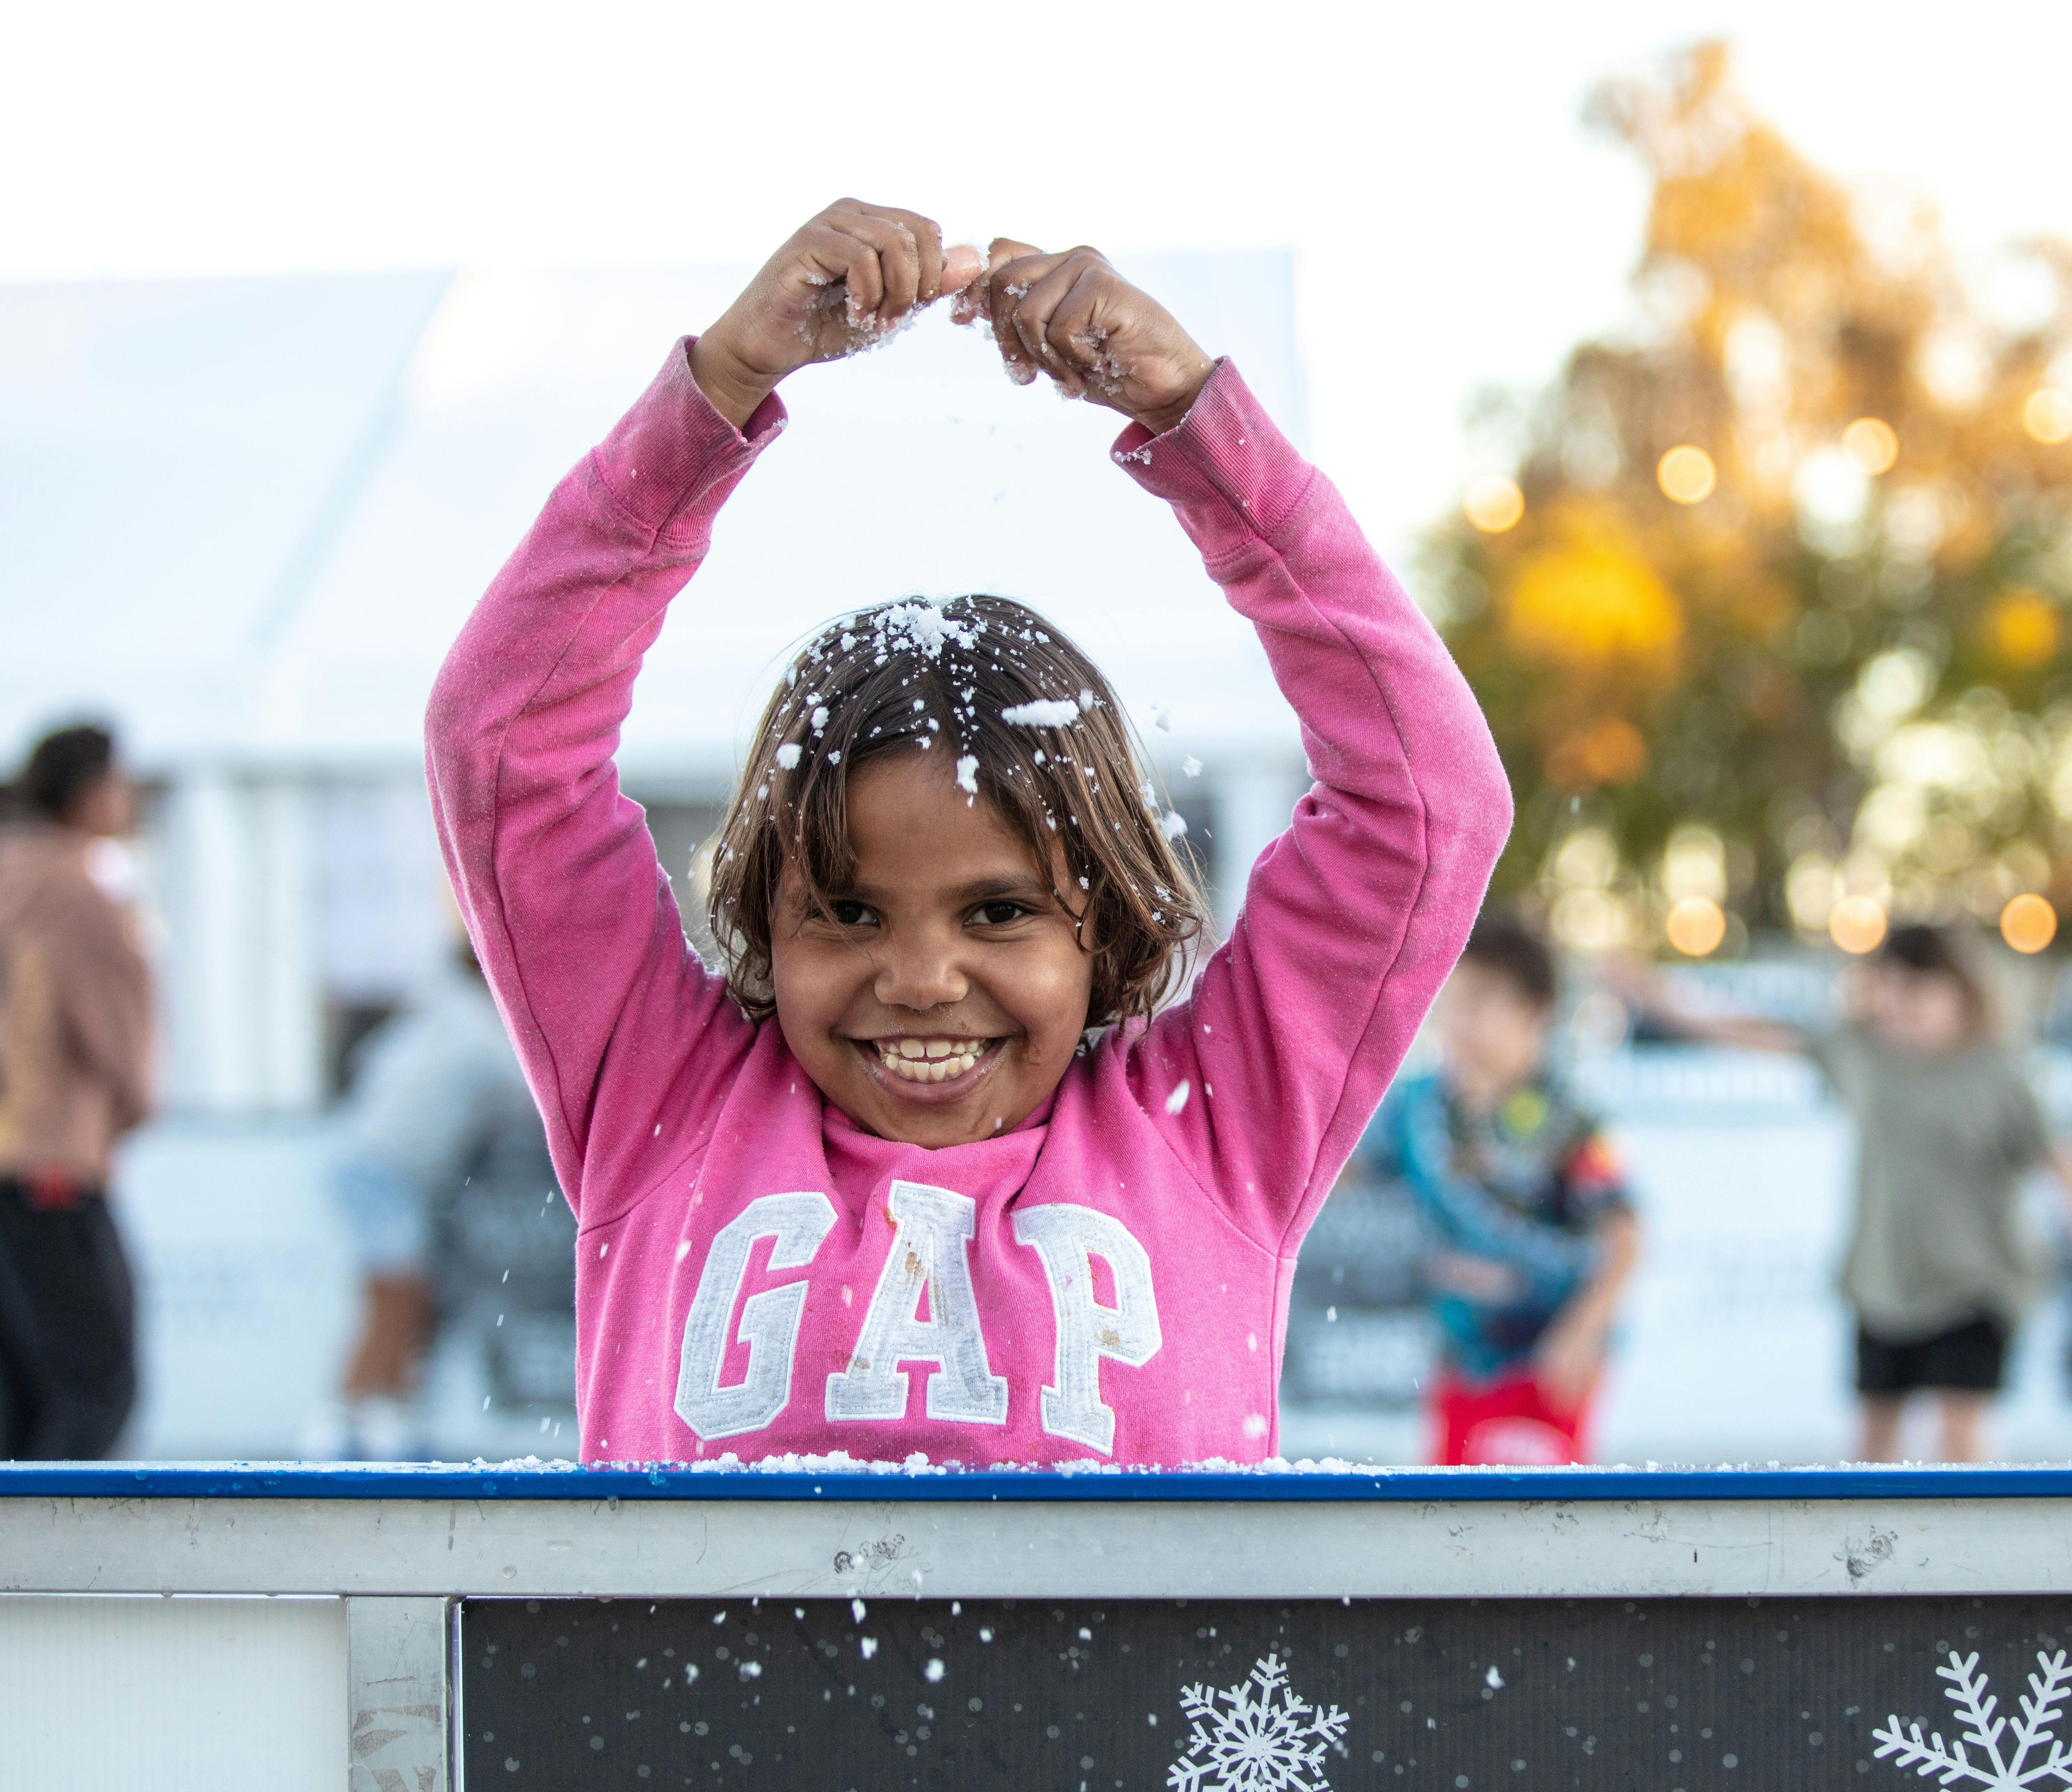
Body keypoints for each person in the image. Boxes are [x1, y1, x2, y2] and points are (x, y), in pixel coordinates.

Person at [427, 201, 1509, 1467]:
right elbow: (502, 739)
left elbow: (1428, 799)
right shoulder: (665, 1101)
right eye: (846, 912)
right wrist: (718, 386)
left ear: (1100, 923)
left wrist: (1200, 426)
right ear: (766, 920)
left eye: (997, 911)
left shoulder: (1213, 1126)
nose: (922, 979)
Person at [1624, 925, 2072, 1464]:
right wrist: (1657, 997)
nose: (1896, 1006)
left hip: (1974, 1282)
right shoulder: (1860, 1051)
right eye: (1886, 989)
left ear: (1963, 994)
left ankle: (1974, 1548)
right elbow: (1757, 1033)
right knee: (1873, 1437)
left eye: (1915, 991)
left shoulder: (2000, 1072)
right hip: (1883, 1279)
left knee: (1960, 1434)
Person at [1363, 917, 1638, 1465]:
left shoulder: (1572, 1120)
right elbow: (1342, 1171)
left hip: (1551, 1358)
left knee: (1544, 1520)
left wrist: (1582, 1331)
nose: (1457, 1021)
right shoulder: (1415, 1107)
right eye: (1450, 1001)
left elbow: (1626, 1236)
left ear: (1535, 1011)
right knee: (1450, 1517)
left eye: (1479, 1002)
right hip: (1462, 1356)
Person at [313, 919, 569, 1461]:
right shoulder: (476, 1027)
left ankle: (382, 1421)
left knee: (411, 1303)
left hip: (376, 1162)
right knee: (395, 1301)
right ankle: (343, 1431)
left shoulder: (436, 1011)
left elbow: (367, 1067)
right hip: (386, 1171)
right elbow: (533, 1095)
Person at [0, 724, 154, 1459]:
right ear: (93, 794)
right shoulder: (80, 892)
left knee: (19, 1396)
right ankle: (59, 1572)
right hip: (50, 1165)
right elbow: (118, 1032)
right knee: (96, 1383)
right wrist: (129, 1107)